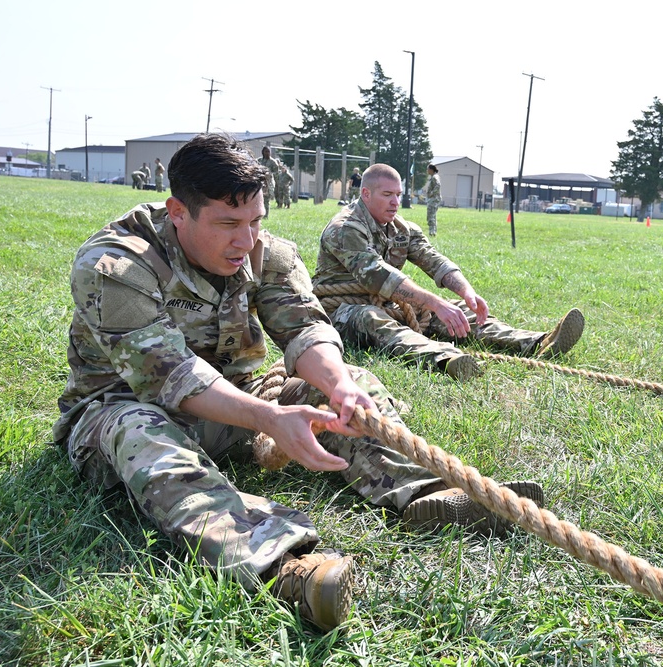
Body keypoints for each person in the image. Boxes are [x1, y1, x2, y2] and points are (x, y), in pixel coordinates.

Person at [52, 134, 543, 634]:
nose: (245, 241)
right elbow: (172, 376)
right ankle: (283, 568)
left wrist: (336, 385)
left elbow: (305, 328)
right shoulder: (115, 265)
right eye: (228, 224)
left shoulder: (265, 254)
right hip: (121, 411)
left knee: (351, 381)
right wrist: (268, 419)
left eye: (255, 221)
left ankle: (424, 495)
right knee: (139, 427)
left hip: (240, 399)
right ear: (179, 211)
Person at [312, 163, 585, 381]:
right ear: (366, 194)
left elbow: (433, 260)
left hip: (388, 303)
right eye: (387, 195)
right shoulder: (345, 228)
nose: (395, 202)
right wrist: (434, 302)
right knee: (371, 318)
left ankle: (537, 343)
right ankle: (446, 359)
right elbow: (377, 275)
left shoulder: (401, 228)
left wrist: (467, 292)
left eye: (398, 195)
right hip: (342, 311)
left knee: (458, 312)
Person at [258, 146, 280, 218]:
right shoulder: (259, 160)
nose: (267, 153)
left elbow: (276, 173)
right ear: (263, 152)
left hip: (268, 182)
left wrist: (269, 173)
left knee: (266, 199)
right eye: (266, 151)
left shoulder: (273, 162)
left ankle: (266, 215)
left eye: (268, 152)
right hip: (259, 182)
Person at [425, 163, 441, 237]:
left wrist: (432, 193)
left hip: (434, 199)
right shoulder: (433, 177)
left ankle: (432, 232)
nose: (427, 170)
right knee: (432, 216)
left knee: (431, 216)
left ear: (431, 170)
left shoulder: (435, 177)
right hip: (433, 199)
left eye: (428, 169)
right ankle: (433, 231)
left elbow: (438, 185)